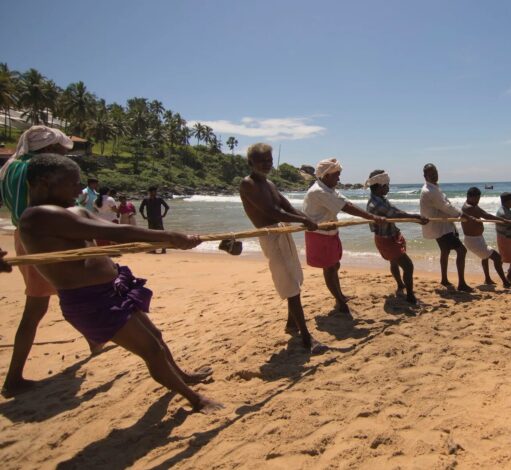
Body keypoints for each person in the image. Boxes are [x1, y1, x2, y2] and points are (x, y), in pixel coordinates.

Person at [16, 153, 221, 412]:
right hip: (90, 300)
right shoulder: (38, 216)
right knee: (151, 350)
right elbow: (115, 231)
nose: (80, 188)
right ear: (44, 182)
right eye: (73, 183)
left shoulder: (70, 211)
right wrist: (171, 235)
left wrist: (171, 240)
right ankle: (194, 399)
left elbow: (111, 229)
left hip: (114, 288)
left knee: (156, 338)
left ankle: (182, 375)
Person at [0, 125, 100, 397]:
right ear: (47, 150)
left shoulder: (9, 168)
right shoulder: (37, 169)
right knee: (38, 304)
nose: (61, 155)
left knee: (65, 293)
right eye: (57, 150)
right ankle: (14, 378)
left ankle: (94, 340)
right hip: (48, 238)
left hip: (25, 237)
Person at [239, 143, 325, 354]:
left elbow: (286, 206)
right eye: (262, 161)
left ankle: (291, 323)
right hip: (269, 234)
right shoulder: (248, 184)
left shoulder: (269, 183)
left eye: (269, 160)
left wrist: (306, 219)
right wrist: (303, 222)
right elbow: (272, 211)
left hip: (281, 231)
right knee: (289, 284)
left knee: (293, 278)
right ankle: (306, 338)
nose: (267, 164)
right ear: (251, 163)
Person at [303, 158, 385, 315]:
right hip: (319, 234)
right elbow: (346, 207)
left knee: (335, 265)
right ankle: (340, 301)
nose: (339, 179)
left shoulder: (328, 188)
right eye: (336, 175)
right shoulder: (318, 191)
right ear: (326, 176)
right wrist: (372, 217)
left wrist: (370, 215)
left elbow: (347, 202)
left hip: (330, 232)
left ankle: (339, 296)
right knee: (329, 268)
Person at [365, 169, 428, 304]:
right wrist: (416, 217)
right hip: (386, 239)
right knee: (408, 266)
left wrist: (415, 218)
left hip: (391, 235)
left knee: (394, 262)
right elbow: (396, 214)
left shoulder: (379, 199)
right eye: (386, 185)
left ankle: (400, 284)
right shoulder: (376, 204)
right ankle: (410, 296)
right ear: (380, 186)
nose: (388, 187)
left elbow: (396, 212)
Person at [419, 163, 476, 292]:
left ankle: (444, 279)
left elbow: (445, 205)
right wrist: (462, 215)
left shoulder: (434, 188)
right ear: (425, 176)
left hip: (443, 226)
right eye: (431, 173)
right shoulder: (430, 190)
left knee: (445, 251)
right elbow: (445, 207)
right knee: (462, 251)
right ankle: (461, 283)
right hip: (440, 228)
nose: (434, 175)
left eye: (435, 172)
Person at [460, 187, 511, 288]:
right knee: (497, 258)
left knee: (485, 257)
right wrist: (504, 220)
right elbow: (486, 216)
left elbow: (484, 214)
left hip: (478, 238)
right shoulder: (469, 208)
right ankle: (505, 281)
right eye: (476, 199)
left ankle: (487, 279)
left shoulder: (472, 205)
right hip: (473, 241)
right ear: (469, 197)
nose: (477, 201)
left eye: (479, 199)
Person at [140, 186, 170, 254]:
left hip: (158, 219)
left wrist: (164, 215)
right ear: (150, 192)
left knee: (162, 234)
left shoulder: (159, 199)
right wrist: (144, 216)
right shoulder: (146, 199)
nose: (155, 193)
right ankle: (153, 249)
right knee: (152, 235)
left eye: (156, 191)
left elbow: (167, 207)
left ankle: (163, 249)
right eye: (154, 191)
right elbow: (141, 209)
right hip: (151, 220)